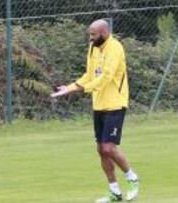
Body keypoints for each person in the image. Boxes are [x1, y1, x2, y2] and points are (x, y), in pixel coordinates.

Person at [51, 19, 139, 203]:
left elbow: (106, 78)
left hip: (115, 103)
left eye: (93, 35)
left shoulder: (115, 48)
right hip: (98, 105)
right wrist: (69, 87)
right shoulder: (93, 48)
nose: (90, 38)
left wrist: (80, 89)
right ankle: (114, 191)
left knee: (109, 147)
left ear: (104, 33)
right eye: (90, 34)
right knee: (101, 149)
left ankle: (132, 177)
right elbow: (89, 75)